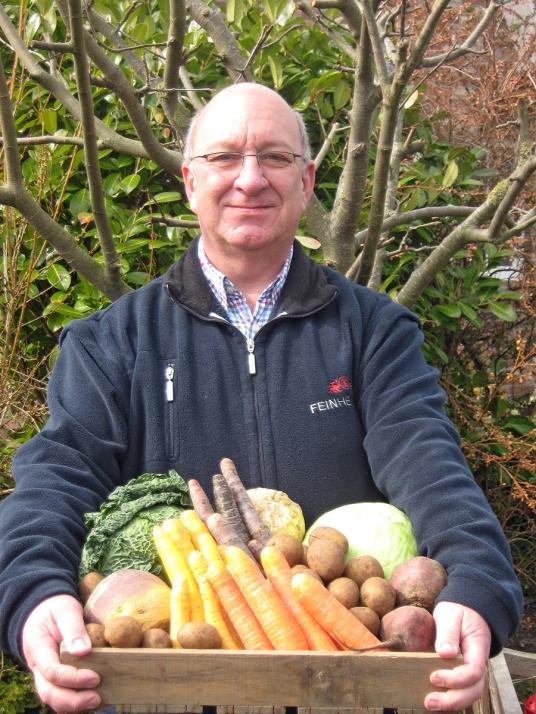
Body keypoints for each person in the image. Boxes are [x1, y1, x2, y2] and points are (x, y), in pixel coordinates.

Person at [0, 82, 522, 713]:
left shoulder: (373, 331)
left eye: (274, 158)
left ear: (305, 183)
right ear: (190, 181)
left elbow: (426, 455)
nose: (250, 179)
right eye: (224, 158)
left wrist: (476, 579)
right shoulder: (112, 342)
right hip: (166, 689)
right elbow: (57, 474)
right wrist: (32, 592)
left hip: (344, 681)